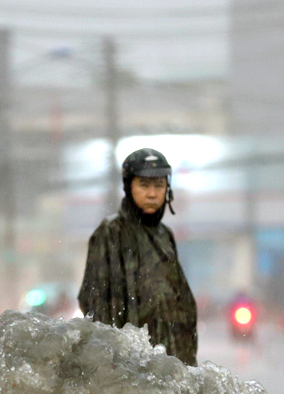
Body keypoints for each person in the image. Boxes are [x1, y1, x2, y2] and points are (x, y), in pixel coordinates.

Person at [78, 148, 198, 365]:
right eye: (144, 185)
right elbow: (98, 307)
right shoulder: (111, 233)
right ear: (128, 186)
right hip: (132, 370)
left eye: (159, 185)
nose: (152, 194)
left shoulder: (165, 236)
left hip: (171, 366)